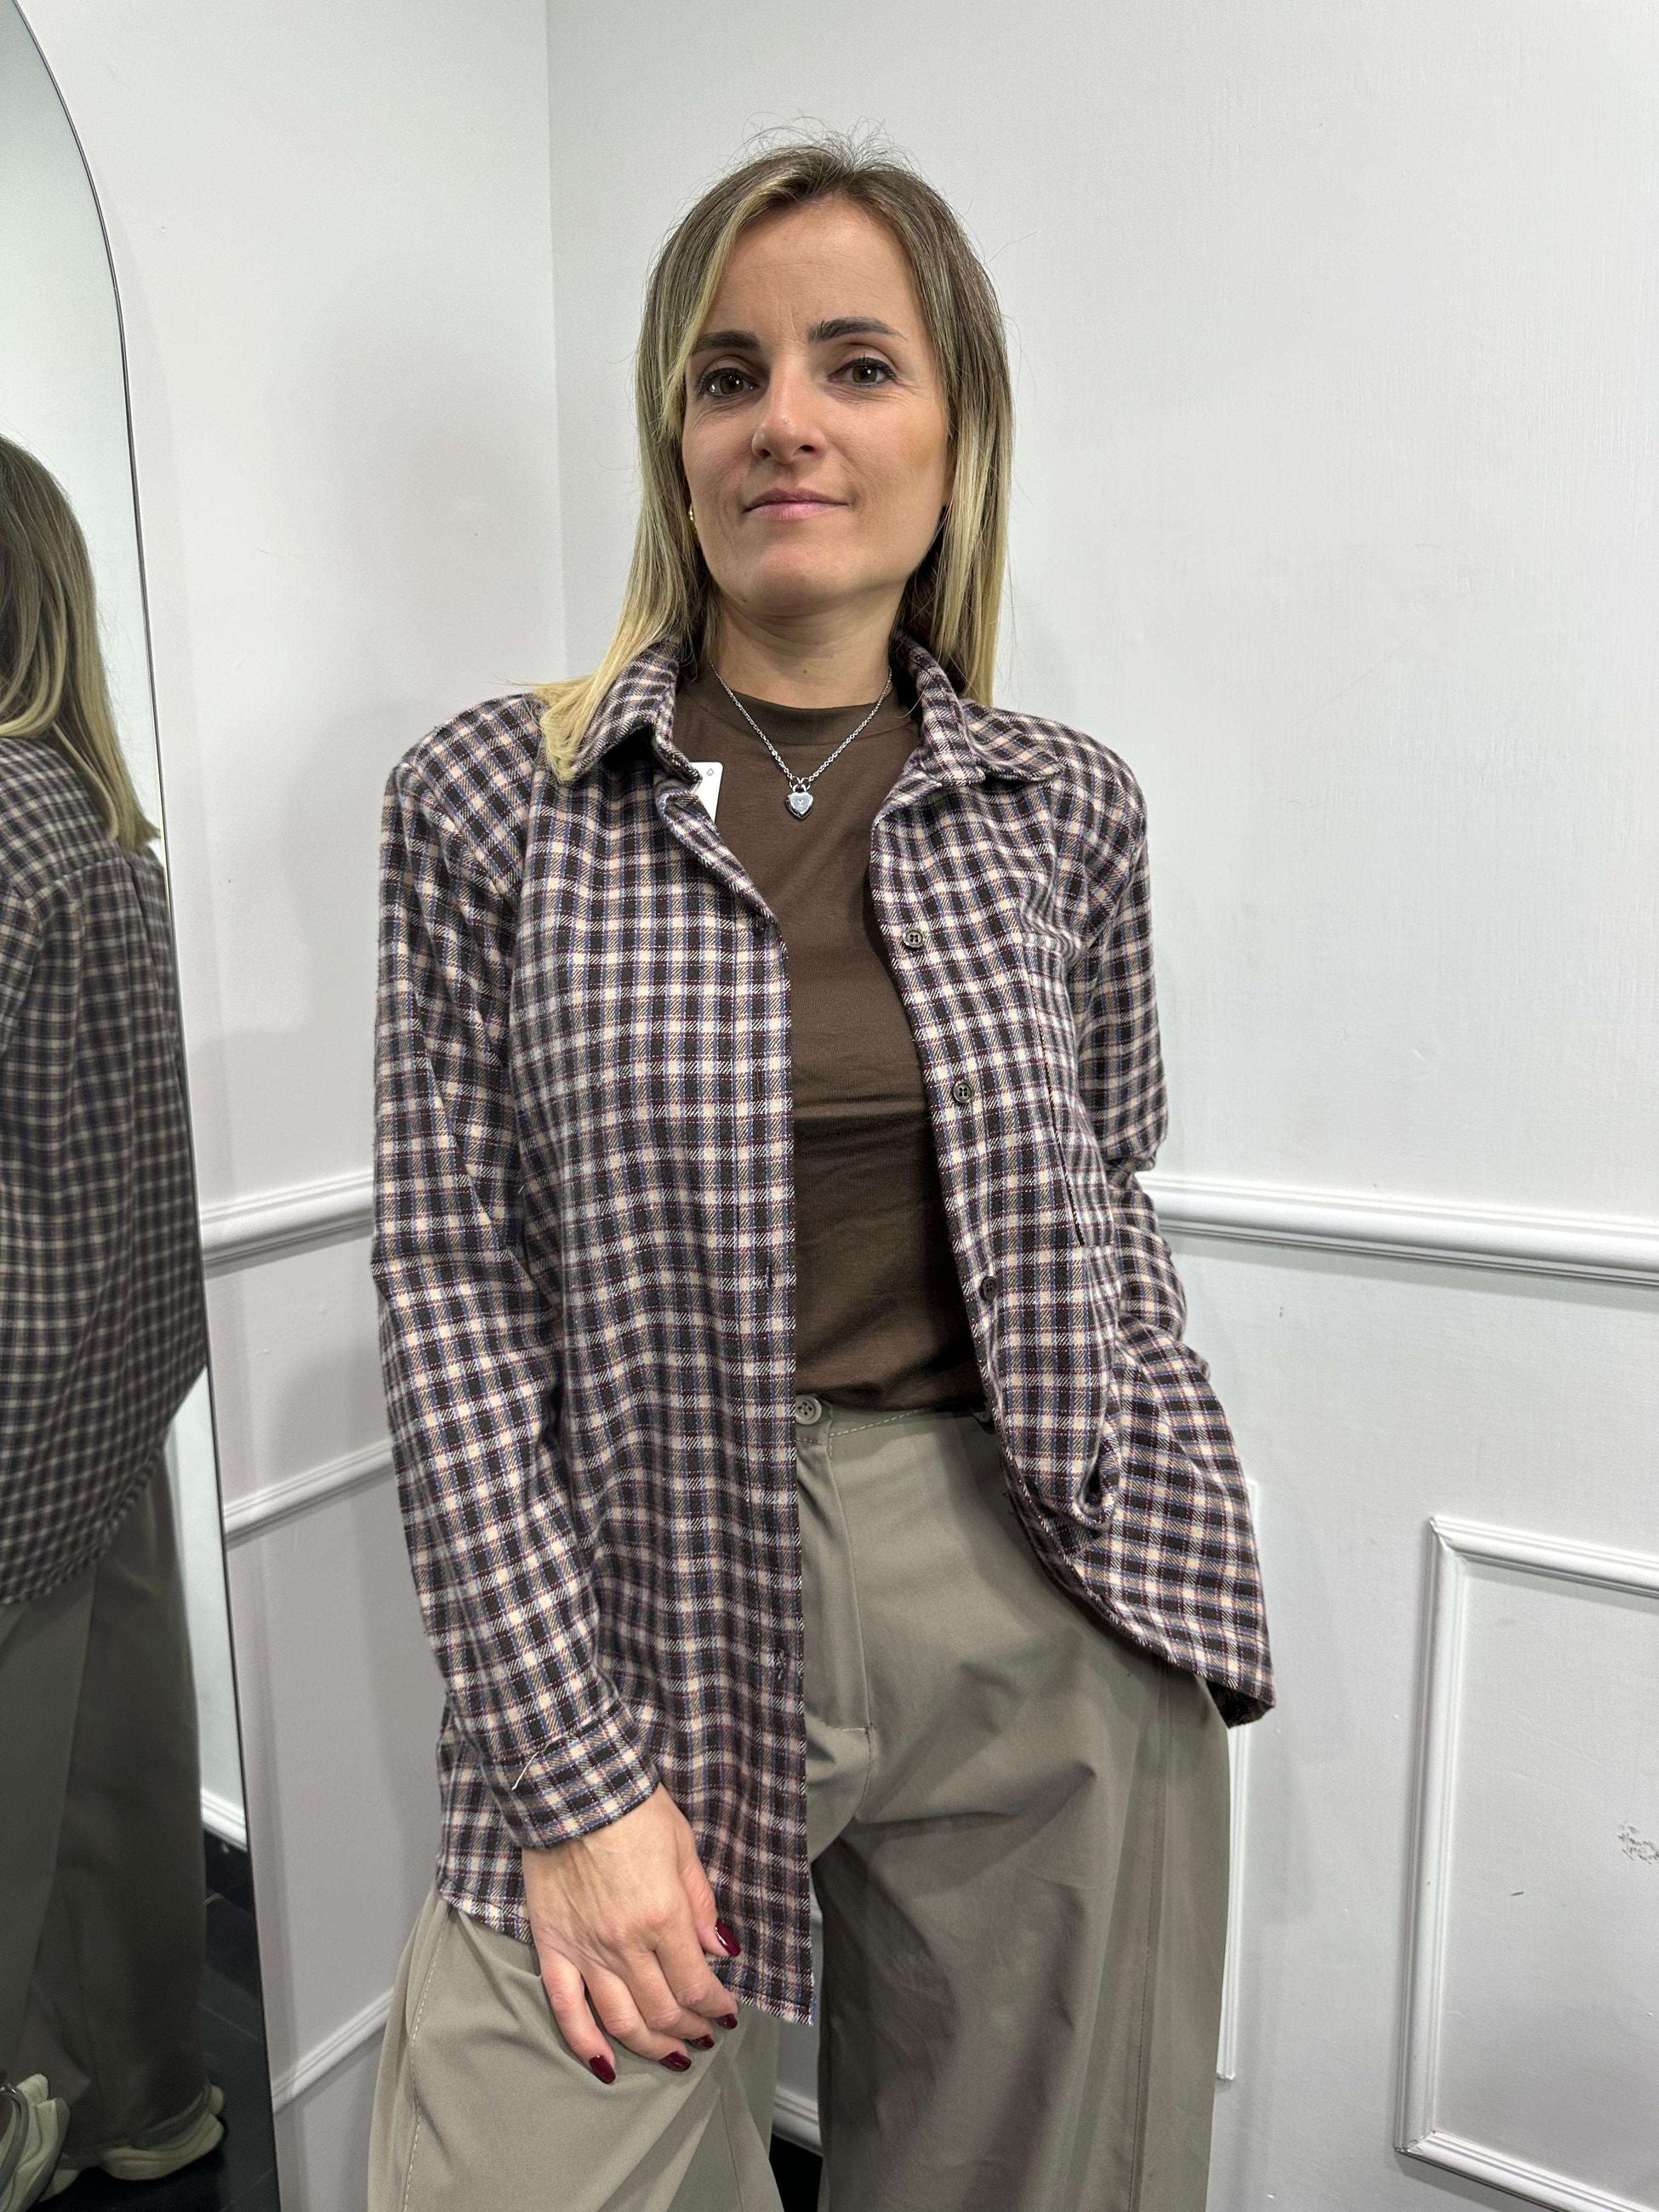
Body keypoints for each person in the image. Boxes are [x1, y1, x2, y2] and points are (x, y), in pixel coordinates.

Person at [368, 128, 1274, 2212]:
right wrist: (567, 1772)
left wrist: (1154, 1512)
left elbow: (1110, 1180)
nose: (786, 418)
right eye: (729, 373)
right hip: (645, 1565)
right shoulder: (497, 800)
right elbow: (450, 1290)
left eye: (857, 365)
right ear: (674, 443)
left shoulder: (1065, 809)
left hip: (1032, 1573)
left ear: (958, 440)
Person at [0, 436, 221, 2210]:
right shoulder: (95, 821)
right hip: (111, 1389)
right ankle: (140, 2094)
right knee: (113, 1785)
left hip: (15, 1397)